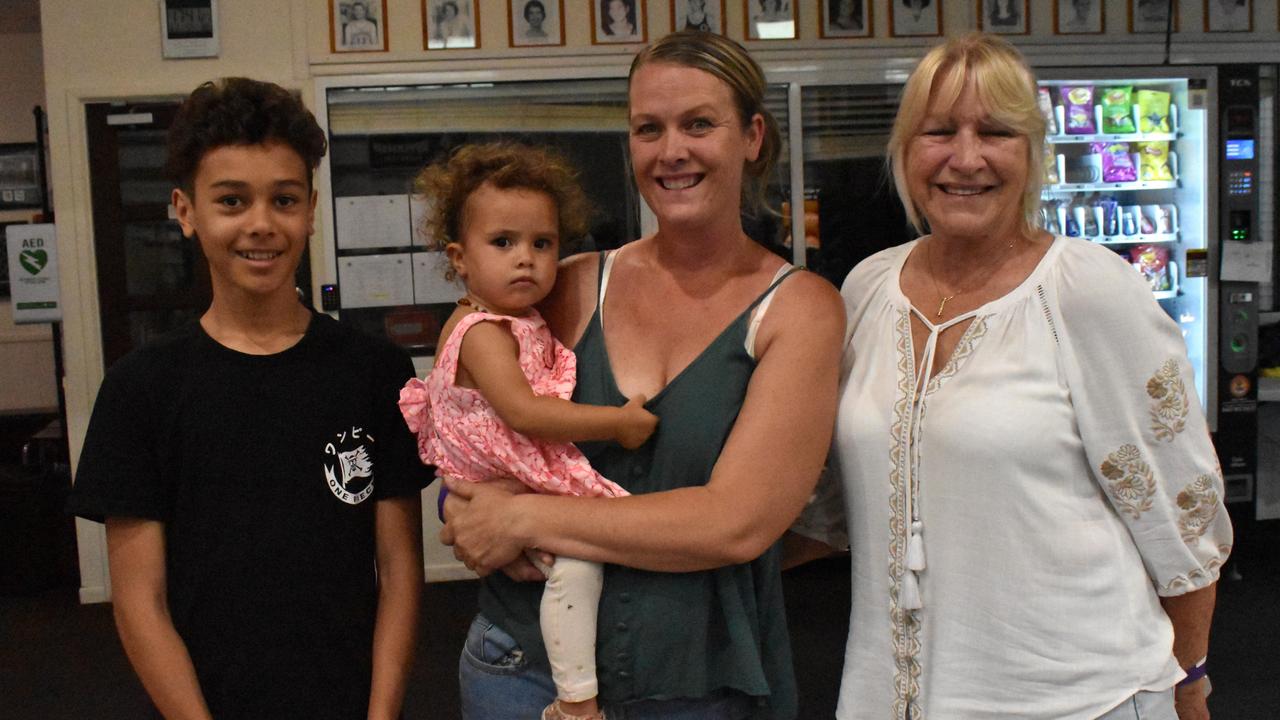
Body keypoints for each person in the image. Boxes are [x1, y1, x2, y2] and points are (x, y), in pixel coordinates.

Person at [793, 33, 1231, 719]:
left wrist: (1191, 675)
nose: (965, 158)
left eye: (995, 131)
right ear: (906, 150)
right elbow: (831, 503)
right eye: (939, 131)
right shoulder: (868, 290)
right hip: (889, 694)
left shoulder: (1088, 291)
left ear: (1031, 154)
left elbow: (1183, 514)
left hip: (1078, 698)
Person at [440, 30, 844, 719]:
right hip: (519, 667)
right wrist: (463, 509)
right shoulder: (568, 285)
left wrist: (527, 516)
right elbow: (468, 421)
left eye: (698, 124)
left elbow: (734, 524)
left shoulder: (799, 310)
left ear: (751, 137)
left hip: (696, 683)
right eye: (647, 129)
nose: (671, 151)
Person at [65, 78, 429, 720]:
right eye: (232, 200)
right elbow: (138, 599)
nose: (261, 224)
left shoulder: (375, 371)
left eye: (283, 200)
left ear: (310, 209)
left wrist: (381, 713)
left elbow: (399, 571)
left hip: (351, 700)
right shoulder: (141, 389)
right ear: (186, 211)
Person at [399, 142, 659, 720]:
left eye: (542, 244)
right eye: (503, 243)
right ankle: (576, 701)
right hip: (500, 472)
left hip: (506, 479)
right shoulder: (484, 331)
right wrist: (617, 424)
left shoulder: (519, 320)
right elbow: (525, 413)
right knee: (577, 566)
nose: (526, 259)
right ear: (459, 258)